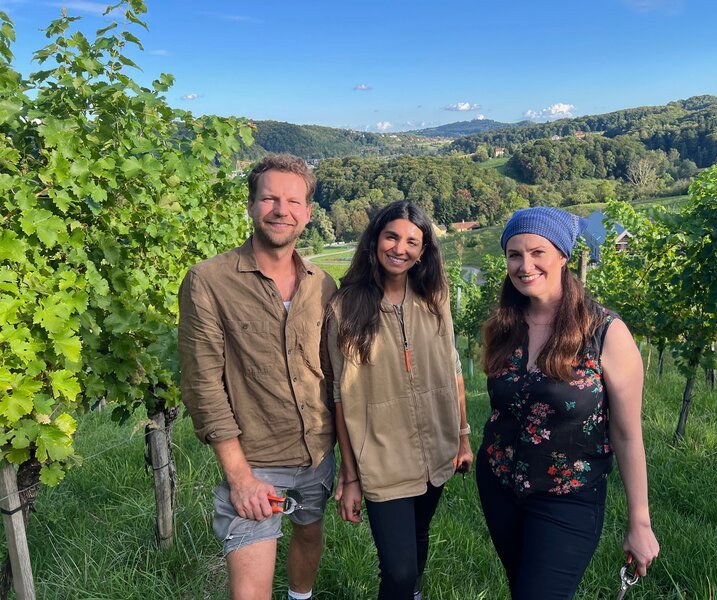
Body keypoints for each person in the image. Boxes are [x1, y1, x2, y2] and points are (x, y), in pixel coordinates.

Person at [476, 207, 660, 600]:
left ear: (562, 255)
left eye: (538, 252)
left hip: (568, 497)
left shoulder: (604, 333)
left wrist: (639, 522)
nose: (525, 265)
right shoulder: (504, 326)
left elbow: (627, 436)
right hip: (499, 486)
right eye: (514, 254)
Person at [178, 154, 337, 600]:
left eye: (293, 201)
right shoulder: (208, 281)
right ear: (251, 206)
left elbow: (336, 376)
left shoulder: (323, 284)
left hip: (317, 453)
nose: (280, 210)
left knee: (309, 533)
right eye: (269, 198)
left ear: (307, 212)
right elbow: (202, 384)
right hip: (255, 460)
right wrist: (239, 476)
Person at [328, 200, 473, 600]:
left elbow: (453, 367)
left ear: (423, 251)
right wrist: (350, 474)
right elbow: (340, 394)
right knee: (400, 569)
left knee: (419, 538)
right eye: (392, 236)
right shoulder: (345, 308)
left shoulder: (434, 297)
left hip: (435, 450)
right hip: (381, 454)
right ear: (375, 239)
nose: (400, 248)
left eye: (412, 241)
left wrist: (462, 436)